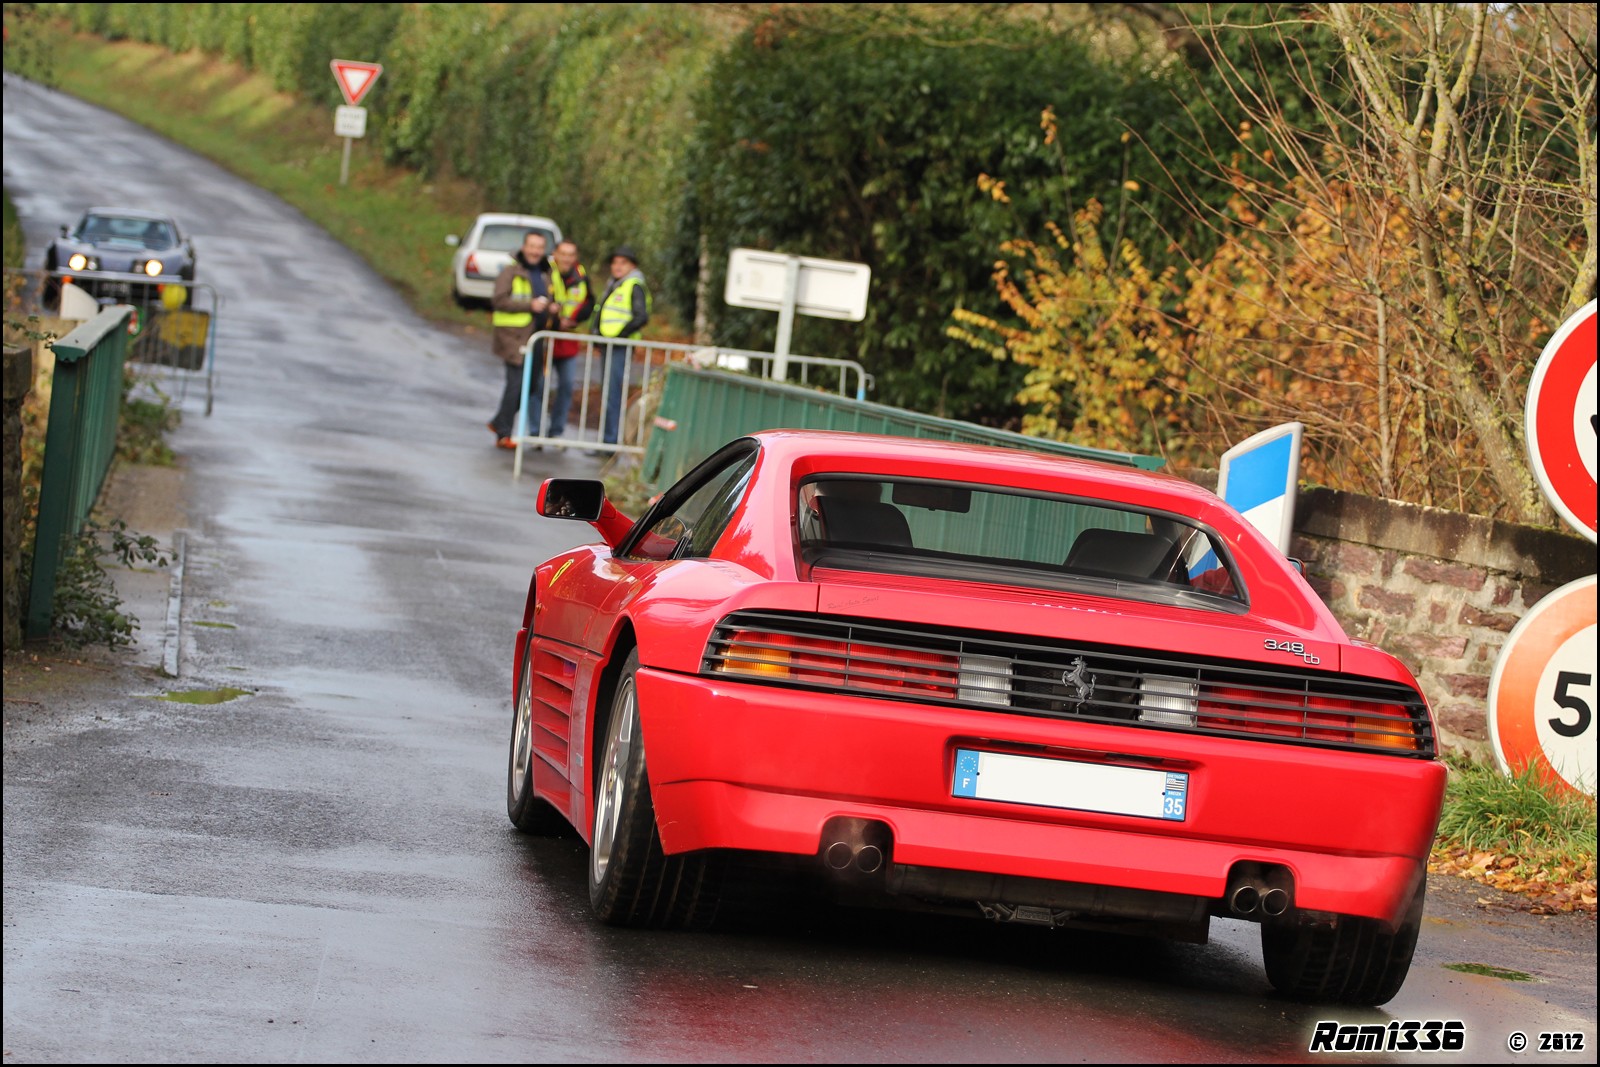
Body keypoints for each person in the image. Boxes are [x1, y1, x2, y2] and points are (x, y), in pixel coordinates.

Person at [487, 231, 554, 449]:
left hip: (535, 338)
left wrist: (552, 308)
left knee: (532, 384)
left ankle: (498, 422)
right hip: (513, 338)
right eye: (532, 246)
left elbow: (549, 297)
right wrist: (530, 305)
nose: (535, 251)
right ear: (524, 247)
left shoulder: (545, 273)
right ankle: (503, 433)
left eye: (539, 247)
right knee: (516, 384)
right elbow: (499, 299)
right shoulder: (511, 271)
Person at [533, 239, 592, 442]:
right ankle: (535, 431)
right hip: (546, 337)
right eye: (563, 253)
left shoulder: (581, 276)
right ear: (555, 254)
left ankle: (556, 431)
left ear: (575, 257)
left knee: (566, 386)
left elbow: (589, 302)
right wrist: (557, 320)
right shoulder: (544, 272)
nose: (566, 258)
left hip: (568, 340)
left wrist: (575, 319)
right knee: (538, 385)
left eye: (571, 254)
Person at [591, 245, 651, 446]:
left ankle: (610, 442)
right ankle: (607, 441)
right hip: (609, 344)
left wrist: (618, 335)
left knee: (613, 393)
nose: (617, 267)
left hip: (620, 345)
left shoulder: (633, 285)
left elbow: (641, 316)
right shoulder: (615, 284)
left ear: (632, 266)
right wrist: (597, 333)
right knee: (608, 392)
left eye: (623, 263)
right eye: (615, 262)